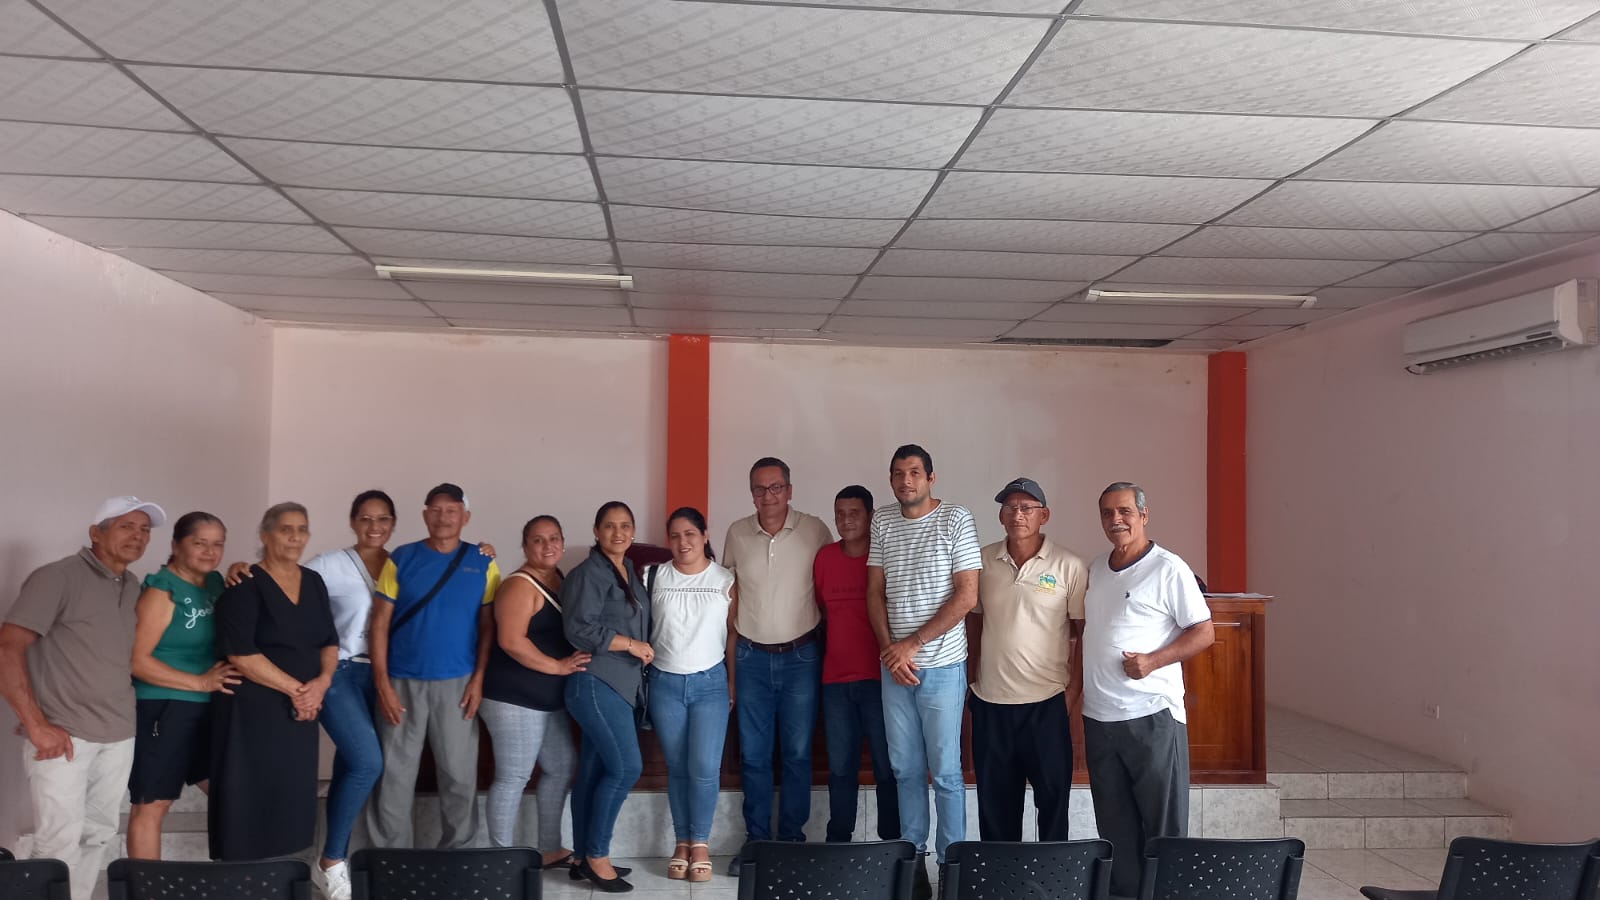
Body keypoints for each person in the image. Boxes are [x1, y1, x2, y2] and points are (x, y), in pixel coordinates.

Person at [1, 496, 166, 900]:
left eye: (145, 529)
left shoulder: (132, 585)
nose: (138, 536)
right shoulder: (56, 577)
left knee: (97, 836)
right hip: (65, 736)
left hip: (119, 733)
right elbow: (7, 648)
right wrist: (36, 723)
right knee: (56, 844)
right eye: (126, 526)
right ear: (96, 533)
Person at [1082, 482, 1215, 898]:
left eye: (1124, 511)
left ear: (1143, 515)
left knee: (1163, 828)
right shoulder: (1097, 568)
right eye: (1107, 512)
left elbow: (1204, 632)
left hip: (1152, 715)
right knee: (1115, 828)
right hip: (1100, 717)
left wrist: (1153, 661)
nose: (1115, 519)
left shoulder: (1168, 568)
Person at [867, 445, 981, 900]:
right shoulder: (882, 521)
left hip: (942, 666)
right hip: (895, 670)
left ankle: (952, 868)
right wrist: (890, 653)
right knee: (905, 770)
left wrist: (911, 644)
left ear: (931, 477)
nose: (905, 480)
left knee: (947, 773)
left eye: (914, 472)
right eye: (898, 473)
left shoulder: (956, 518)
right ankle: (913, 864)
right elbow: (874, 592)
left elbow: (967, 596)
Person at [369, 483, 501, 850]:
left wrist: (479, 679)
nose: (443, 517)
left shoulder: (484, 561)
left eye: (452, 510)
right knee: (394, 777)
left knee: (459, 776)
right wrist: (382, 684)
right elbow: (378, 624)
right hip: (401, 683)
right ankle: (391, 860)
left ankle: (458, 856)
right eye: (436, 510)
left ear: (465, 517)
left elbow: (488, 627)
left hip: (458, 684)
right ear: (425, 515)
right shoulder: (402, 558)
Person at [721, 456, 833, 871]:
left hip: (801, 657)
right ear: (751, 493)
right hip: (750, 657)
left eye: (775, 487)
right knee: (753, 756)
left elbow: (831, 586)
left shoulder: (814, 530)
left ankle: (791, 843)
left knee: (798, 755)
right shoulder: (737, 533)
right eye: (759, 488)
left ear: (789, 490)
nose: (767, 496)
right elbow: (729, 604)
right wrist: (731, 671)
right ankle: (757, 842)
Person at [210, 502, 339, 860]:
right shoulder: (244, 584)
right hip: (252, 711)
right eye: (285, 529)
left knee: (292, 797)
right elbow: (241, 654)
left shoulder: (313, 582)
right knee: (248, 799)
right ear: (265, 535)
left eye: (302, 529)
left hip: (300, 710)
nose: (295, 537)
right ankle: (242, 878)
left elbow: (330, 641)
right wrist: (299, 692)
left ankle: (287, 876)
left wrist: (321, 684)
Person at [970, 478, 1087, 842]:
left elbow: (1084, 634)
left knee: (1052, 806)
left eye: (1026, 508)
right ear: (1001, 516)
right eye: (1010, 508)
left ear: (1044, 515)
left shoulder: (1069, 565)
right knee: (995, 811)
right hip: (991, 703)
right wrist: (971, 683)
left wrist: (1072, 693)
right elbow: (973, 624)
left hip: (1046, 704)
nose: (1017, 515)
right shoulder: (982, 561)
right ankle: (1001, 875)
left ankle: (1052, 876)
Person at [299, 490, 398, 900]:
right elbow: (280, 582)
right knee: (367, 762)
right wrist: (241, 570)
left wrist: (484, 551)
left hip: (382, 676)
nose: (375, 526)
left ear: (393, 522)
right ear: (353, 521)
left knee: (350, 766)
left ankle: (328, 860)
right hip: (338, 672)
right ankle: (331, 861)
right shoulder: (329, 564)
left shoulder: (401, 563)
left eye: (383, 518)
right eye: (366, 518)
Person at [127, 511, 241, 860]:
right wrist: (200, 681)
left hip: (208, 707)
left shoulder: (216, 583)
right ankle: (146, 887)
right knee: (152, 805)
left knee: (232, 793)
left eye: (217, 544)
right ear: (176, 546)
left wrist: (241, 568)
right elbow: (137, 661)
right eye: (200, 543)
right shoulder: (163, 590)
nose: (210, 551)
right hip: (164, 707)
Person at [479, 515, 588, 868]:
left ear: (563, 541)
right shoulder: (518, 585)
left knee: (561, 765)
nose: (548, 546)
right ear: (525, 546)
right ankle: (501, 860)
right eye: (538, 540)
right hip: (513, 697)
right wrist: (558, 666)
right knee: (513, 776)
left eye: (554, 538)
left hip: (546, 699)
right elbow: (511, 641)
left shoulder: (559, 579)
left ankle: (550, 848)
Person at [563, 501, 651, 893]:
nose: (619, 533)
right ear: (597, 531)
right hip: (596, 682)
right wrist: (631, 644)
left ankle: (582, 857)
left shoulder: (628, 569)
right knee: (627, 768)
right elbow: (579, 628)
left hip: (620, 686)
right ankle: (598, 857)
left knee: (594, 771)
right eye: (610, 526)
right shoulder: (588, 573)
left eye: (625, 526)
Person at [645, 508, 735, 884]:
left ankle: (700, 843)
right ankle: (681, 842)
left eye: (690, 534)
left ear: (704, 535)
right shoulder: (653, 576)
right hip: (664, 682)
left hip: (711, 683)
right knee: (677, 767)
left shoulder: (725, 579)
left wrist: (733, 682)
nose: (683, 542)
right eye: (675, 535)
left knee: (704, 767)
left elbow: (734, 634)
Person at [814, 485, 899, 844]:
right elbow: (821, 613)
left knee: (887, 767)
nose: (846, 520)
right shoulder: (824, 559)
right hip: (835, 682)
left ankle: (892, 845)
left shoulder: (885, 559)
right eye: (840, 514)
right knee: (840, 769)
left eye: (854, 513)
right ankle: (839, 843)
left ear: (871, 516)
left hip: (880, 680)